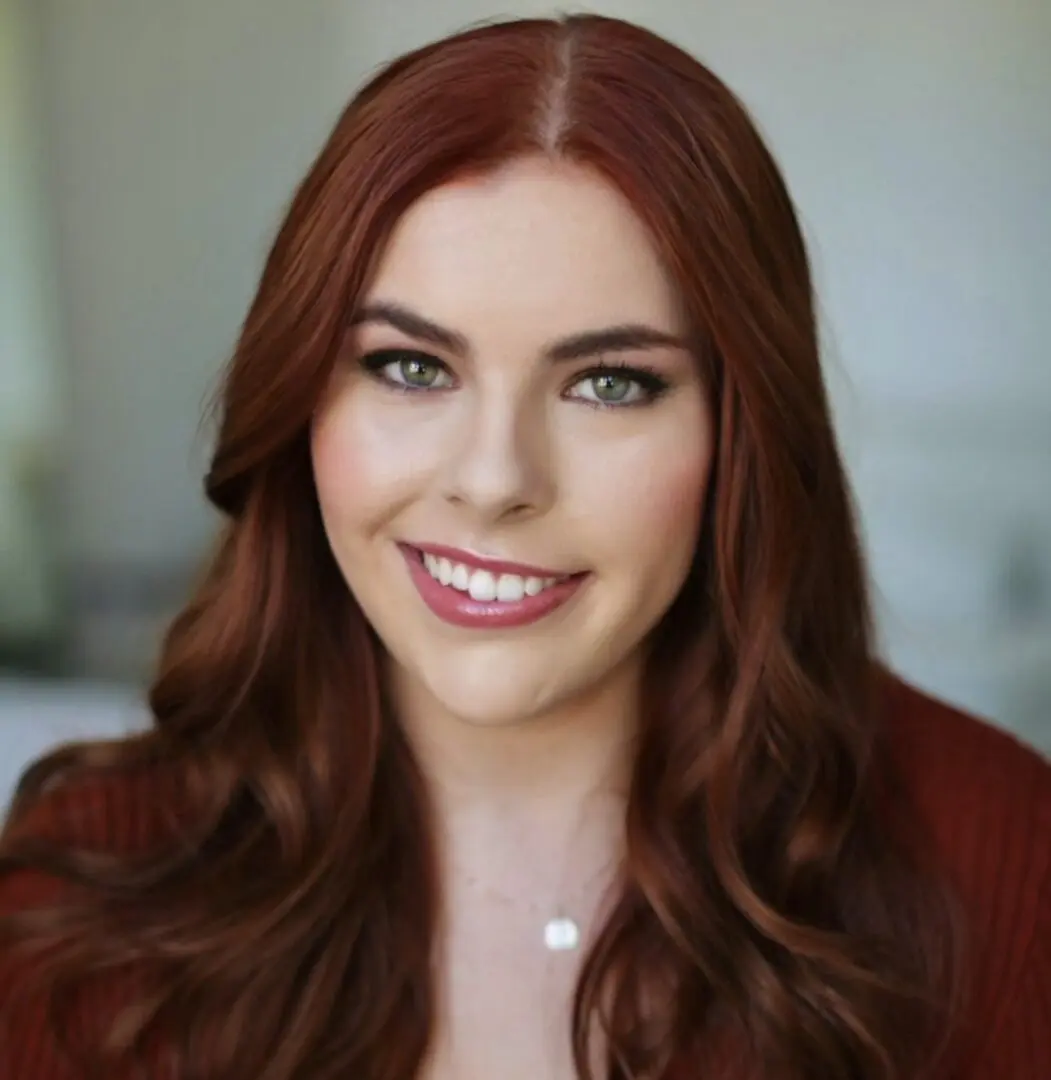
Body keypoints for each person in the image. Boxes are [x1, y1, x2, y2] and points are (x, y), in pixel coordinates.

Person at [0, 13, 1047, 1080]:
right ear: (301, 394)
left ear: (741, 434)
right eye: (409, 366)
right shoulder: (81, 897)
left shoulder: (999, 866)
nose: (496, 480)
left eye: (608, 383)